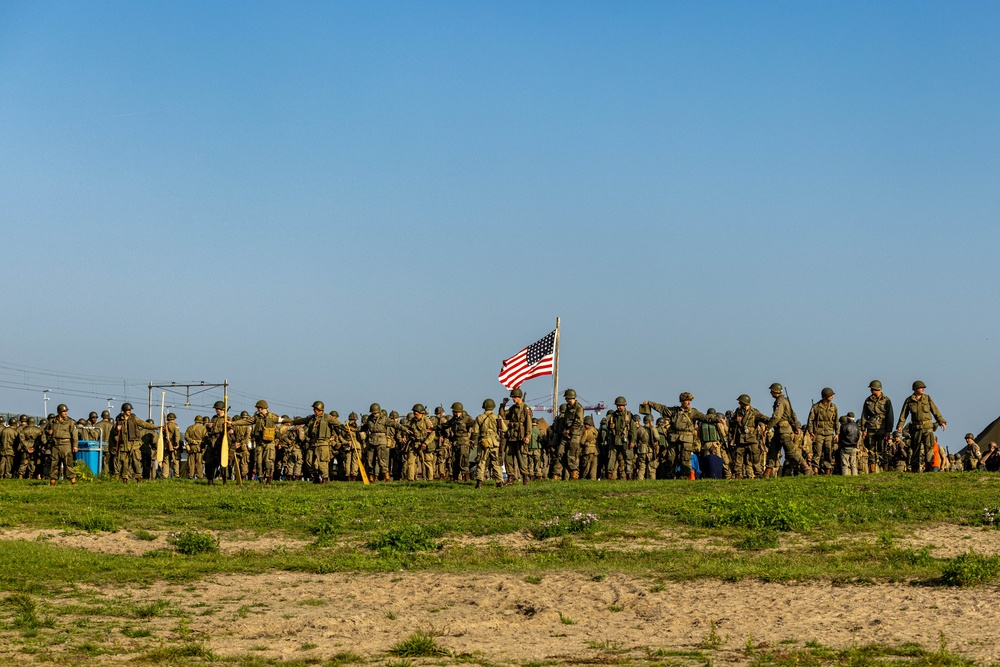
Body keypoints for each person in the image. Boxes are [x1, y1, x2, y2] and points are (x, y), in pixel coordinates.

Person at [643, 392, 723, 480]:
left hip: (687, 440)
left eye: (690, 401)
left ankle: (684, 478)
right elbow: (662, 408)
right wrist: (649, 403)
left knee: (685, 460)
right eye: (687, 401)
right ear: (681, 401)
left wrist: (717, 419)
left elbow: (705, 417)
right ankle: (670, 477)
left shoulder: (693, 412)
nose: (689, 403)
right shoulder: (674, 411)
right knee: (671, 459)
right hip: (674, 438)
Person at [287, 401, 347, 484]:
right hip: (313, 443)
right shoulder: (312, 418)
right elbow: (303, 420)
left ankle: (324, 479)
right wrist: (291, 422)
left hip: (323, 443)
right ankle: (315, 477)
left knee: (322, 463)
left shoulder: (327, 417)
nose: (314, 410)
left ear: (319, 409)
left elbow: (338, 424)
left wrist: (346, 429)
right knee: (308, 461)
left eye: (315, 409)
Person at [895, 381, 946, 472]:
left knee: (929, 448)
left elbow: (935, 411)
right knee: (915, 448)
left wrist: (941, 421)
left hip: (928, 427)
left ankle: (930, 468)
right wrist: (900, 425)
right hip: (916, 428)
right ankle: (915, 469)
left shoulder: (927, 398)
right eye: (921, 387)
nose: (923, 389)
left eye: (923, 388)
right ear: (915, 389)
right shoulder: (909, 400)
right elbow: (903, 414)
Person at [232, 400, 282, 483]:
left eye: (260, 408)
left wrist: (293, 422)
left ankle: (269, 479)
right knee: (258, 462)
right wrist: (233, 423)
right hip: (259, 443)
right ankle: (260, 479)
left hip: (269, 443)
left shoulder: (273, 416)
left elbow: (283, 420)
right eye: (258, 408)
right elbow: (245, 422)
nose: (258, 409)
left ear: (264, 408)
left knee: (268, 462)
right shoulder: (256, 417)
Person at [764, 384, 808, 476]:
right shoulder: (785, 401)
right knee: (772, 451)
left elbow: (777, 416)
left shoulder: (780, 401)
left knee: (791, 452)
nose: (770, 392)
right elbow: (792, 415)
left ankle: (806, 468)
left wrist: (767, 428)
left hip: (783, 431)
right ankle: (766, 473)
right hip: (780, 431)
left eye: (771, 391)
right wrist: (793, 425)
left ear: (775, 391)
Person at [110, 403, 157, 484]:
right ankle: (125, 479)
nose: (129, 411)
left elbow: (144, 424)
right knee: (124, 463)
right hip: (123, 445)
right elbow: (113, 433)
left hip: (134, 444)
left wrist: (155, 427)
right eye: (128, 410)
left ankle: (138, 479)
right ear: (124, 410)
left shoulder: (134, 418)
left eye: (130, 410)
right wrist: (116, 429)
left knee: (136, 462)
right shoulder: (119, 420)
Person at [500, 388, 533, 485]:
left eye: (515, 397)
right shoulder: (513, 409)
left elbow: (529, 424)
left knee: (521, 458)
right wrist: (503, 404)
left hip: (520, 437)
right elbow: (503, 415)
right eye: (513, 397)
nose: (513, 399)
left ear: (519, 397)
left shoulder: (526, 409)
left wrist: (528, 436)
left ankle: (525, 478)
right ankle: (510, 478)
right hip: (511, 437)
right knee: (508, 458)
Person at [551, 389, 585, 480]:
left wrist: (570, 431)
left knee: (572, 455)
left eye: (567, 398)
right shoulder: (567, 408)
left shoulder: (579, 408)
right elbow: (565, 421)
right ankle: (556, 475)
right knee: (560, 453)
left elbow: (579, 421)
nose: (566, 399)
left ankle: (574, 475)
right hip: (566, 434)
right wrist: (565, 431)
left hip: (575, 435)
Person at [807, 388, 839, 474]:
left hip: (829, 433)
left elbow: (836, 420)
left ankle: (828, 470)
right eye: (830, 395)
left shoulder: (833, 407)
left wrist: (837, 433)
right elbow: (810, 420)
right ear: (825, 396)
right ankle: (815, 470)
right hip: (819, 433)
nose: (832, 396)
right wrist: (811, 432)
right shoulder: (816, 407)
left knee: (828, 451)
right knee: (817, 452)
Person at [473, 398, 503, 488]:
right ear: (493, 407)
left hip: (484, 442)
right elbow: (504, 429)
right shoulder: (498, 417)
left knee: (481, 461)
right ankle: (500, 482)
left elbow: (475, 431)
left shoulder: (479, 417)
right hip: (495, 443)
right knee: (496, 462)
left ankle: (479, 482)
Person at [45, 404, 79, 484]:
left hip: (66, 444)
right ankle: (52, 482)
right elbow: (45, 430)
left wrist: (75, 445)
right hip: (55, 445)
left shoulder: (70, 422)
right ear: (59, 412)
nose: (65, 413)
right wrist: (48, 432)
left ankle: (73, 482)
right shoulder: (52, 422)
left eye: (66, 411)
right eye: (64, 411)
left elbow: (74, 434)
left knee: (68, 463)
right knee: (54, 463)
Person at [605, 397, 636, 480]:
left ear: (624, 405)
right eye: (617, 405)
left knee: (628, 459)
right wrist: (610, 426)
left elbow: (633, 431)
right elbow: (607, 428)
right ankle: (609, 476)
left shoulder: (629, 416)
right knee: (611, 458)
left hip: (625, 440)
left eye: (620, 405)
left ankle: (629, 476)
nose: (618, 407)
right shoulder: (613, 415)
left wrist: (632, 441)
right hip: (614, 440)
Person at [580, 415, 599, 480]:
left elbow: (582, 442)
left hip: (588, 450)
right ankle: (593, 478)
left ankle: (583, 478)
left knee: (586, 466)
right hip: (595, 451)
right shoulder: (596, 431)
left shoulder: (587, 432)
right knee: (594, 466)